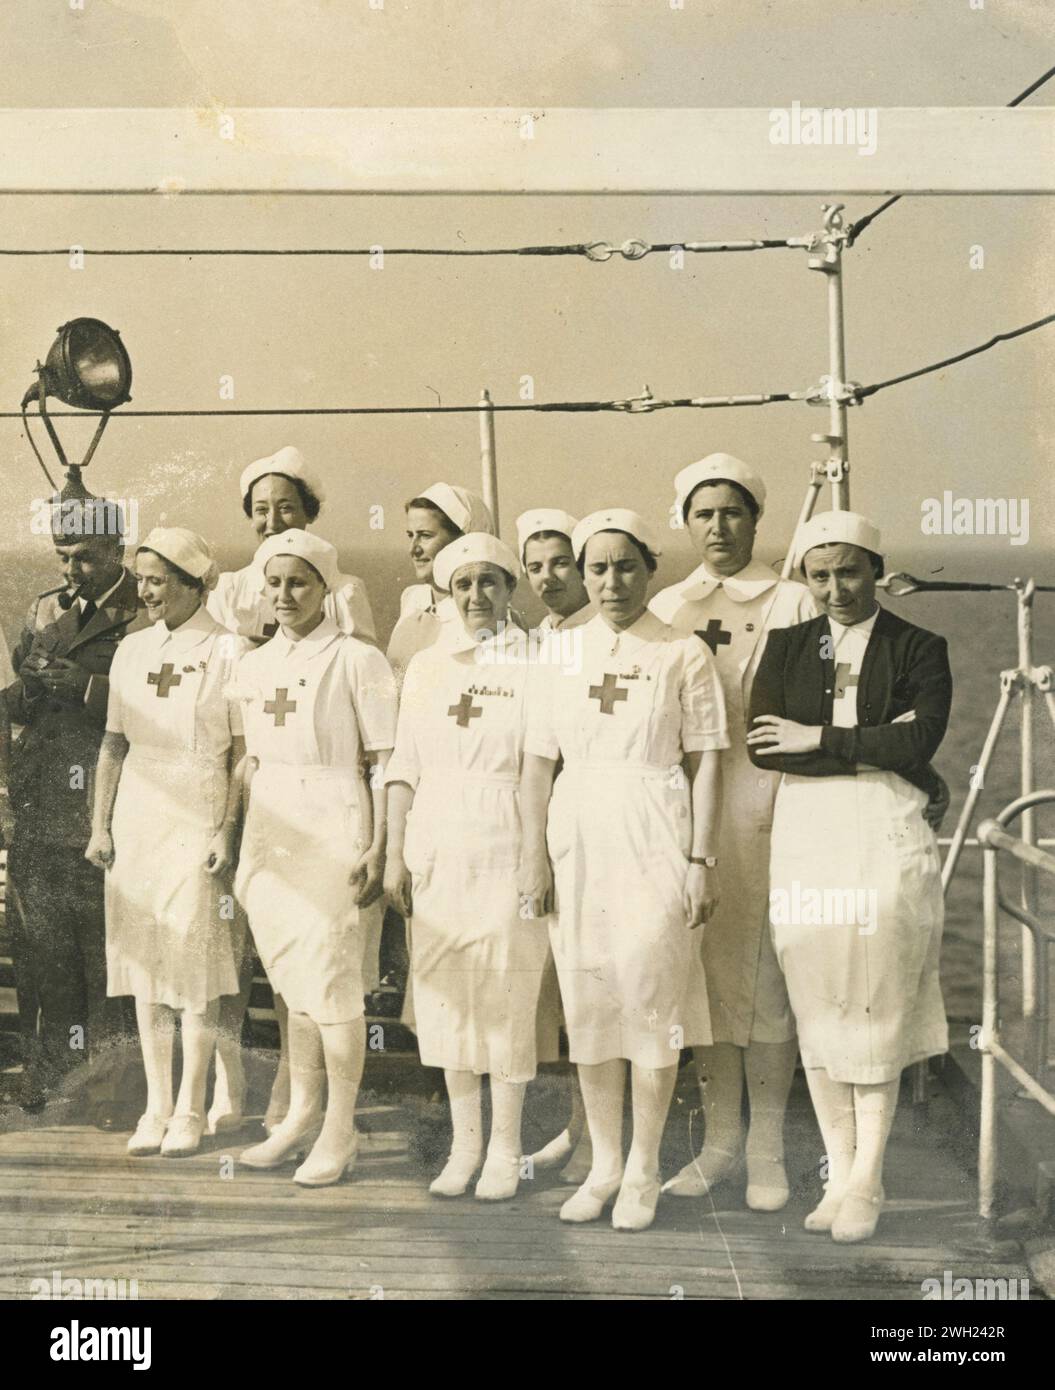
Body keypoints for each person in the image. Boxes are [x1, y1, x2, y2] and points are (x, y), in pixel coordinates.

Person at [519, 509, 728, 1232]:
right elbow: (536, 765)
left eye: (625, 566)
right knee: (590, 1003)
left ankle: (643, 1166)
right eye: (597, 568)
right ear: (583, 573)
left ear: (650, 569)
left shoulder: (682, 653)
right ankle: (604, 1162)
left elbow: (704, 763)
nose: (611, 581)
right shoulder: (560, 654)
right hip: (577, 832)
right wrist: (532, 857)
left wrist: (700, 860)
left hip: (654, 829)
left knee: (650, 995)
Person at [747, 510, 951, 1243]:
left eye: (849, 571)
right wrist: (871, 745)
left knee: (876, 995)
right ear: (804, 577)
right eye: (818, 573)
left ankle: (868, 1177)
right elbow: (764, 745)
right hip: (808, 831)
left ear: (874, 567)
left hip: (882, 826)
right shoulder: (785, 645)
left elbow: (920, 737)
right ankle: (839, 1170)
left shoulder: (918, 646)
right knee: (818, 995)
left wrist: (819, 738)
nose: (834, 587)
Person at [648, 455, 816, 1211]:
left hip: (767, 803)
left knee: (766, 981)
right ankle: (718, 1144)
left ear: (755, 519)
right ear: (685, 522)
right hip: (678, 810)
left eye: (732, 513)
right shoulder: (665, 607)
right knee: (704, 983)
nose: (718, 528)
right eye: (703, 514)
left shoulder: (792, 602)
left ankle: (767, 1149)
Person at [205, 445, 378, 1136]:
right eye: (261, 509)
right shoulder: (227, 588)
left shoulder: (345, 598)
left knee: (322, 960)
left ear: (309, 511)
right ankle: (245, 1090)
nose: (272, 518)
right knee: (267, 945)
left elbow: (356, 704)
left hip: (325, 789)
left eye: (286, 507)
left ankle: (303, 1103)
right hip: (256, 782)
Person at [384, 533, 550, 1202]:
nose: (476, 596)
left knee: (506, 996)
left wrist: (537, 854)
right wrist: (395, 850)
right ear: (447, 594)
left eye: (490, 582)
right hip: (437, 840)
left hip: (508, 830)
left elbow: (542, 765)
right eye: (463, 585)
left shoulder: (537, 663)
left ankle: (506, 1148)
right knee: (449, 996)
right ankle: (464, 1145)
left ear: (511, 590)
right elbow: (403, 765)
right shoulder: (427, 667)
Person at [234, 530, 397, 1187]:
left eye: (297, 582)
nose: (283, 595)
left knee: (331, 983)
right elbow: (246, 758)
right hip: (272, 826)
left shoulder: (357, 660)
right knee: (291, 982)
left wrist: (380, 844)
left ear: (326, 588)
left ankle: (341, 1127)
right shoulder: (251, 665)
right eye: (273, 583)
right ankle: (301, 1114)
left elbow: (387, 759)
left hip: (334, 819)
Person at [85, 528, 248, 1157]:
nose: (146, 591)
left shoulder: (229, 649)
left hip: (200, 804)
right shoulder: (130, 649)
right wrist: (101, 825)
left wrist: (226, 830)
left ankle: (192, 1106)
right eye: (143, 578)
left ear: (192, 582)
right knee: (148, 965)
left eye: (157, 580)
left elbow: (241, 753)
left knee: (195, 966)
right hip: (140, 813)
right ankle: (155, 1106)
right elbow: (112, 743)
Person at [5, 489, 143, 1124]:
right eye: (63, 557)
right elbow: (25, 704)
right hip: (40, 806)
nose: (69, 572)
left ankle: (110, 1092)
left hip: (98, 805)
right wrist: (24, 686)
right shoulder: (46, 610)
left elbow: (157, 704)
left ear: (118, 550)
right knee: (46, 953)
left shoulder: (144, 613)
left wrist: (86, 687)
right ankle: (53, 1074)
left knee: (103, 953)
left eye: (84, 557)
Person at [515, 508, 594, 1184]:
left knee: (600, 985)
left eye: (559, 563)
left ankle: (600, 1137)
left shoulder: (603, 637)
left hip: (602, 822)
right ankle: (578, 1126)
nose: (546, 578)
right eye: (534, 567)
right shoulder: (536, 638)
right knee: (565, 991)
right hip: (546, 823)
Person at [385, 482, 496, 681]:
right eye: (411, 536)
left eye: (425, 536)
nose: (413, 549)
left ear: (463, 541)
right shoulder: (412, 599)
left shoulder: (487, 612)